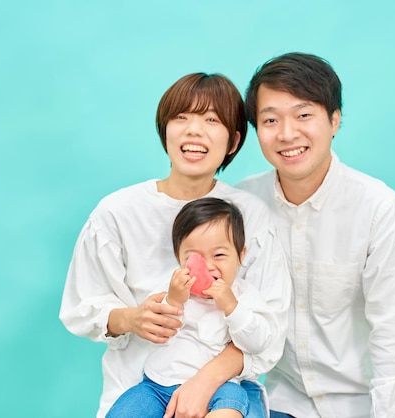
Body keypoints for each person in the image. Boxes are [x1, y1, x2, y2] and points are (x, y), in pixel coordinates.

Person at [60, 73, 291, 418]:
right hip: (138, 389)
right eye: (181, 117)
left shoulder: (250, 216)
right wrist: (133, 319)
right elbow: (82, 308)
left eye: (211, 120)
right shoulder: (117, 211)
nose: (194, 131)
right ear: (165, 131)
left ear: (233, 141)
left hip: (225, 394)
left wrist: (204, 383)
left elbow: (268, 332)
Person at [237, 52, 395, 418]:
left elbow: (393, 333)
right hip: (282, 399)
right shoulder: (244, 203)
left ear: (335, 119)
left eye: (304, 114)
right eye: (271, 120)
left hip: (370, 400)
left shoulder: (379, 208)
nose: (288, 133)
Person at [107, 197, 273, 418]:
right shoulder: (173, 289)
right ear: (179, 258)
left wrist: (232, 307)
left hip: (220, 387)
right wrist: (174, 300)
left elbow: (258, 342)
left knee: (230, 409)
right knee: (123, 412)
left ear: (241, 255)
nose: (207, 266)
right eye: (194, 258)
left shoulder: (245, 296)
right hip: (158, 385)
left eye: (220, 255)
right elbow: (156, 328)